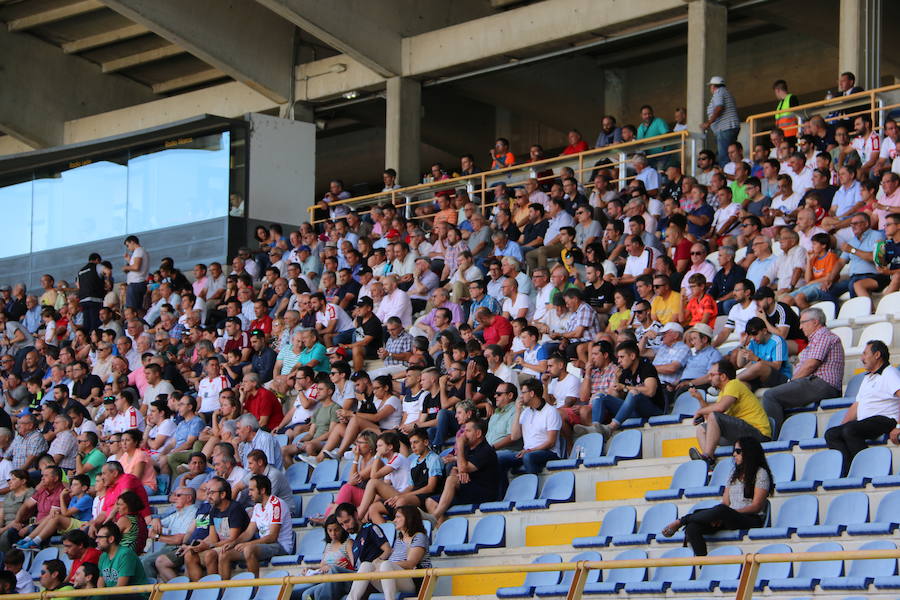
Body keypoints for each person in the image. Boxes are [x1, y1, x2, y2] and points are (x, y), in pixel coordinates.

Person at [662, 437, 772, 556]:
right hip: (729, 517)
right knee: (692, 528)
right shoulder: (734, 474)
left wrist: (728, 513)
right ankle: (704, 567)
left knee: (721, 510)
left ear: (750, 452)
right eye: (734, 451)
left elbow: (756, 506)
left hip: (750, 518)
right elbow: (725, 503)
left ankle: (681, 521)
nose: (734, 454)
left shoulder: (761, 473)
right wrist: (720, 515)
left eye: (738, 451)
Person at [763, 307, 844, 434]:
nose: (800, 327)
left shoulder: (823, 336)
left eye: (803, 322)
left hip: (822, 384)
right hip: (813, 383)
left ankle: (772, 436)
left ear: (815, 322)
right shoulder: (815, 340)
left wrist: (791, 383)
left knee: (770, 395)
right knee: (774, 392)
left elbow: (810, 366)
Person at [825, 341, 900, 476]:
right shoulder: (868, 378)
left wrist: (899, 426)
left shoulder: (890, 373)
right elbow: (857, 405)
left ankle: (868, 470)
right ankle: (849, 471)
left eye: (865, 354)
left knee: (850, 430)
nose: (861, 358)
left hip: (886, 419)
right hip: (867, 422)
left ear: (877, 355)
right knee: (832, 434)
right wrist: (840, 428)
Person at [688, 360, 772, 467]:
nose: (709, 378)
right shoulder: (723, 393)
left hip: (758, 434)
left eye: (712, 375)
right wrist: (699, 399)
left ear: (723, 376)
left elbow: (720, 408)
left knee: (715, 415)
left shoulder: (734, 384)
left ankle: (707, 456)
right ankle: (710, 462)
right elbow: (711, 419)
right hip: (742, 435)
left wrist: (700, 411)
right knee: (702, 429)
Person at [581, 341, 664, 439]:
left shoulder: (646, 367)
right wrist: (616, 380)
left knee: (634, 393)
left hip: (652, 410)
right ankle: (595, 427)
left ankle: (611, 428)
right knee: (600, 396)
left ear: (632, 356)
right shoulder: (624, 372)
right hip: (632, 411)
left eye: (622, 357)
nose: (619, 361)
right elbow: (615, 397)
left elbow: (650, 391)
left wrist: (625, 387)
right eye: (618, 358)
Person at [346, 506, 431, 600]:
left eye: (398, 517)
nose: (394, 520)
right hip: (392, 579)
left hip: (413, 582)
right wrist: (378, 564)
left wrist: (383, 564)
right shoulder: (399, 539)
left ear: (409, 518)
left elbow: (411, 564)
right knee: (366, 565)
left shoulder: (419, 536)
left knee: (386, 565)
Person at [218, 475, 292, 578]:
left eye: (252, 490)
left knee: (249, 549)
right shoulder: (257, 506)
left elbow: (272, 537)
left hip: (280, 546)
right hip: (264, 545)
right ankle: (223, 591)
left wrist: (248, 544)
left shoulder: (276, 504)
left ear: (262, 490)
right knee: (224, 554)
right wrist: (233, 543)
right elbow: (248, 533)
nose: (249, 494)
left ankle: (254, 588)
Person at [332, 503, 392, 600]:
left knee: (334, 571)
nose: (345, 527)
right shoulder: (355, 541)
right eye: (342, 524)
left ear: (355, 515)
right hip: (359, 577)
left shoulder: (370, 528)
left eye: (347, 521)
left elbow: (388, 550)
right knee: (313, 591)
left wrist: (377, 562)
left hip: (373, 577)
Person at [142, 487, 197, 578]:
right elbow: (149, 526)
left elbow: (180, 539)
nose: (174, 498)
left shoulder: (192, 512)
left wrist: (156, 536)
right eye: (174, 495)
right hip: (169, 547)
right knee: (140, 560)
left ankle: (151, 591)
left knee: (146, 561)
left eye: (178, 495)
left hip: (180, 548)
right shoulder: (176, 514)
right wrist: (155, 520)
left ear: (189, 498)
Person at [300, 515, 356, 600]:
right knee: (307, 595)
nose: (333, 533)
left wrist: (333, 567)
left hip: (341, 580)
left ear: (342, 528)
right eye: (330, 530)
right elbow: (322, 565)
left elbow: (354, 565)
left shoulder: (348, 543)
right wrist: (311, 568)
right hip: (326, 580)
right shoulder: (329, 545)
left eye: (336, 530)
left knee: (333, 572)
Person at [97, 521, 148, 595]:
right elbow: (101, 581)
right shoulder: (103, 556)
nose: (96, 540)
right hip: (113, 595)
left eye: (100, 537)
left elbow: (121, 587)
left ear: (111, 539)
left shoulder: (126, 554)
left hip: (135, 595)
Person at [701, 77, 741, 166]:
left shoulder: (718, 93)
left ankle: (725, 175)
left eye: (710, 86)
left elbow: (719, 108)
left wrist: (709, 122)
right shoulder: (726, 92)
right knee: (724, 154)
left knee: (724, 157)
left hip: (725, 129)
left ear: (713, 86)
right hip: (729, 127)